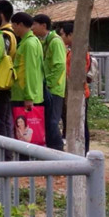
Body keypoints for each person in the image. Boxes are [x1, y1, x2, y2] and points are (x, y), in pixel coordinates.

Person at [32, 14, 66, 151]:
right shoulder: (44, 41)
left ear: (43, 26)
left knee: (52, 121)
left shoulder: (55, 42)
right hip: (47, 87)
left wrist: (50, 83)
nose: (32, 28)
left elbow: (59, 65)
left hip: (54, 89)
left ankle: (58, 150)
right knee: (47, 120)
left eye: (34, 25)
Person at [59, 22, 92, 153]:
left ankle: (84, 152)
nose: (61, 37)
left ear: (71, 34)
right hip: (73, 92)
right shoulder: (71, 51)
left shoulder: (79, 52)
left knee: (81, 125)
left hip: (79, 92)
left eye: (62, 34)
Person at [0, 0, 17, 143]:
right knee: (5, 119)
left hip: (1, 81)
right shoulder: (11, 32)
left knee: (0, 119)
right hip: (6, 81)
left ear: (0, 14)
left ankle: (3, 156)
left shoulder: (5, 34)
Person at [10, 12, 44, 112]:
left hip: (24, 95)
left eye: (14, 25)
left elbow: (31, 70)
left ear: (20, 25)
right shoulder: (30, 41)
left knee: (23, 126)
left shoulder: (29, 44)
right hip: (24, 94)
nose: (13, 28)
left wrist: (29, 96)